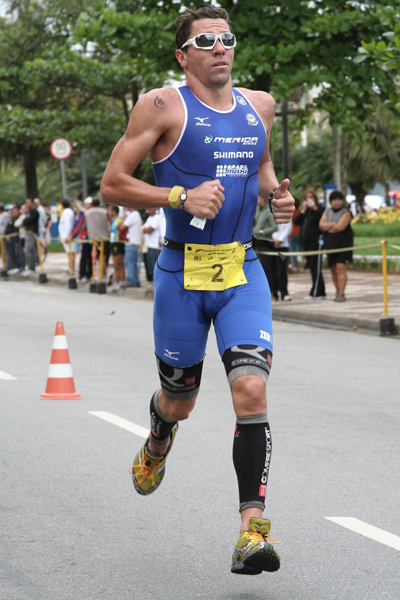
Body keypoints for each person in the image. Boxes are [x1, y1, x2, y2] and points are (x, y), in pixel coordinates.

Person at [101, 5, 294, 576]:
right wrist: (177, 198)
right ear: (183, 55)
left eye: (227, 38)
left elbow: (261, 174)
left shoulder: (261, 107)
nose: (219, 47)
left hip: (241, 271)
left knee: (251, 391)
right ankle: (159, 435)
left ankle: (251, 530)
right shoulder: (161, 106)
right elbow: (114, 183)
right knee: (179, 401)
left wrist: (278, 198)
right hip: (182, 275)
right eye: (205, 40)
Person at [319, 190, 353, 302]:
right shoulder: (327, 211)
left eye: (339, 200)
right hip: (330, 244)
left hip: (344, 244)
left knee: (340, 268)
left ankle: (341, 293)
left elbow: (340, 227)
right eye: (334, 200)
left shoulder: (346, 212)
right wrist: (333, 224)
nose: (337, 202)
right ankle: (337, 290)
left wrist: (330, 226)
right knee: (333, 269)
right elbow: (321, 225)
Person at [294, 189, 326, 300]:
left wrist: (315, 208)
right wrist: (303, 209)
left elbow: (322, 219)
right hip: (305, 242)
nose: (309, 200)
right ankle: (319, 290)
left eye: (311, 197)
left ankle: (316, 291)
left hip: (316, 242)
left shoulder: (320, 209)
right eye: (307, 198)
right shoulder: (306, 211)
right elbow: (296, 221)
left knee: (316, 266)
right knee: (311, 266)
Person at [84, 196, 111, 282]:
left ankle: (103, 274)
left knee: (97, 258)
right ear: (99, 204)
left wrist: (72, 236)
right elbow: (109, 225)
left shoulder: (87, 213)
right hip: (104, 239)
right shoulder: (105, 212)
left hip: (94, 240)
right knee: (102, 257)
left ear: (91, 204)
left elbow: (80, 226)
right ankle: (104, 274)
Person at [119, 209, 142, 288]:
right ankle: (135, 280)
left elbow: (122, 227)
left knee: (128, 261)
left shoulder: (133, 214)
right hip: (134, 242)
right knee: (133, 262)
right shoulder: (135, 214)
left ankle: (131, 280)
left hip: (132, 242)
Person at [142, 208, 162, 292]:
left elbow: (149, 229)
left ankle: (156, 285)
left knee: (155, 266)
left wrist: (145, 229)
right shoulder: (149, 218)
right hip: (149, 246)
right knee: (150, 267)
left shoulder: (157, 218)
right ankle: (153, 284)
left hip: (155, 246)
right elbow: (144, 229)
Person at [107, 204, 126, 292]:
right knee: (115, 264)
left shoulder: (118, 220)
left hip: (118, 243)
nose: (108, 212)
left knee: (119, 264)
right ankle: (116, 282)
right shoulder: (113, 220)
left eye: (109, 210)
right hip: (114, 243)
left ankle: (121, 281)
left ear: (114, 211)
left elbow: (121, 230)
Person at [59, 198, 77, 277]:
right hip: (67, 236)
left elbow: (68, 225)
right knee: (70, 254)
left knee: (71, 254)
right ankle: (70, 270)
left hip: (67, 237)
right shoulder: (67, 212)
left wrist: (66, 237)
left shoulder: (67, 212)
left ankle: (71, 271)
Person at [22, 198, 39, 275]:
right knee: (28, 250)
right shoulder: (28, 213)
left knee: (28, 249)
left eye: (29, 203)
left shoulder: (34, 212)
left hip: (32, 233)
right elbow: (24, 221)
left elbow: (27, 221)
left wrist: (26, 219)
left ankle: (31, 267)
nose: (28, 205)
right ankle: (30, 266)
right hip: (28, 233)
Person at [287, 198, 303, 271]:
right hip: (300, 233)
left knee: (293, 251)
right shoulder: (300, 212)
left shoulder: (289, 212)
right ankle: (305, 261)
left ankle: (296, 265)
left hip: (291, 234)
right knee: (302, 249)